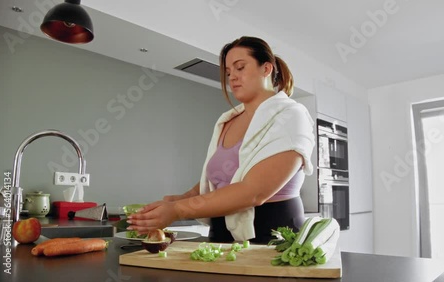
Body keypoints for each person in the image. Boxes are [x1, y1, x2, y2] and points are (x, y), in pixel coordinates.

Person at [127, 36, 315, 243]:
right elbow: (217, 178)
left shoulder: (291, 115)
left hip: (272, 232)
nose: (232, 77)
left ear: (266, 69)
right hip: (220, 233)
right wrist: (181, 198)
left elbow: (254, 192)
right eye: (228, 72)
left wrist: (178, 210)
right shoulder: (228, 120)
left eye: (240, 67)